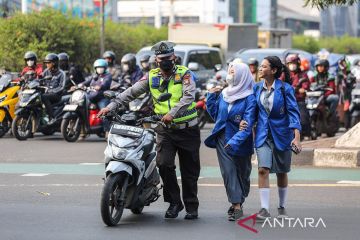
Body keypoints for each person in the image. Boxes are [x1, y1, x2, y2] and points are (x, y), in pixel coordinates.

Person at [98, 41, 201, 220]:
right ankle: (174, 202)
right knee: (164, 164)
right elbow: (131, 92)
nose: (165, 62)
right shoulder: (151, 76)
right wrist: (112, 106)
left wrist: (172, 113)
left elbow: (188, 96)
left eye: (168, 58)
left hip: (187, 130)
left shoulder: (185, 74)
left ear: (174, 58)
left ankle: (192, 206)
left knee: (189, 172)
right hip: (164, 130)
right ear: (156, 60)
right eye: (161, 59)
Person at [240, 56, 302, 221]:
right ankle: (264, 209)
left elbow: (294, 113)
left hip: (282, 136)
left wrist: (296, 137)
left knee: (281, 172)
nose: (260, 69)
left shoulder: (285, 89)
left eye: (264, 66)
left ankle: (281, 207)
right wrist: (246, 121)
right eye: (260, 66)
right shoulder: (257, 88)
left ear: (273, 71)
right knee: (263, 169)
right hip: (262, 135)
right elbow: (252, 111)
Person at [205, 62, 255, 221]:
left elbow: (248, 124)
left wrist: (235, 141)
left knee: (243, 173)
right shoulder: (224, 93)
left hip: (241, 140)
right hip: (222, 137)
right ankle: (236, 205)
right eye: (229, 71)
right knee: (229, 172)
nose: (230, 74)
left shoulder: (250, 97)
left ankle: (239, 198)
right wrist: (211, 97)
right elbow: (216, 116)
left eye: (233, 72)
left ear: (242, 75)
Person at [284, 54, 311, 137]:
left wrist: (301, 89)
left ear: (298, 64)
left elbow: (305, 86)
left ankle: (304, 133)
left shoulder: (303, 75)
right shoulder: (284, 74)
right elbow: (279, 84)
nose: (292, 66)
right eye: (290, 64)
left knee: (303, 120)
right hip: (285, 101)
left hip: (298, 101)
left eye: (293, 64)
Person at [41, 53, 67, 123]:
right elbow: (40, 79)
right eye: (46, 63)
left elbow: (62, 87)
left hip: (57, 95)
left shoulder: (62, 73)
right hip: (47, 93)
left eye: (48, 63)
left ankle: (52, 117)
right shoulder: (46, 71)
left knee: (44, 97)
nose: (47, 64)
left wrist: (51, 91)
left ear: (54, 63)